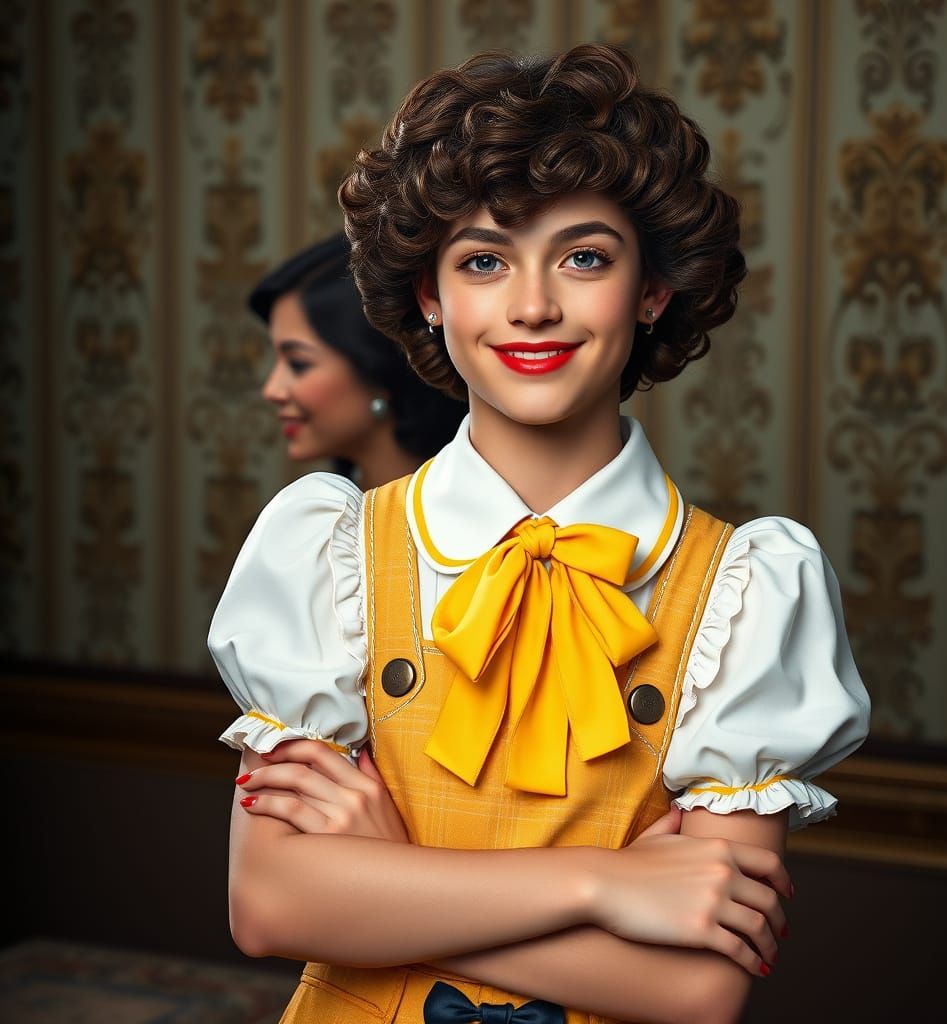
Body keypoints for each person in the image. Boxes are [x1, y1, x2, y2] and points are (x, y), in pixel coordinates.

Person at [209, 44, 870, 1024]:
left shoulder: (749, 587)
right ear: (429, 297)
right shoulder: (324, 554)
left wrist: (385, 882)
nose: (532, 305)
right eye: (483, 260)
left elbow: (698, 988)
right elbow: (269, 905)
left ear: (651, 292)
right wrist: (601, 885)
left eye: (584, 257)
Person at [252, 233, 466, 486]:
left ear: (380, 366)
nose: (271, 390)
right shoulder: (322, 517)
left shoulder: (461, 520)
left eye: (298, 364)